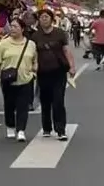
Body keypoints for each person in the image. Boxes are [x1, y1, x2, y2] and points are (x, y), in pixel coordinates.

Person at [32, 9, 75, 141]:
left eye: (46, 17)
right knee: (45, 101)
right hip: (42, 72)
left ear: (52, 19)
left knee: (58, 101)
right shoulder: (35, 36)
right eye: (41, 17)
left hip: (58, 72)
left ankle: (60, 129)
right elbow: (33, 54)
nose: (43, 19)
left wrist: (72, 66)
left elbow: (66, 50)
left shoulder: (60, 33)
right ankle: (46, 127)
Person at [0, 18, 37, 142]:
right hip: (8, 80)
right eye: (11, 26)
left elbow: (35, 60)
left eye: (15, 27)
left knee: (23, 106)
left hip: (26, 80)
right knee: (9, 105)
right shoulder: (4, 43)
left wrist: (34, 70)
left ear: (22, 29)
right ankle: (10, 126)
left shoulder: (31, 44)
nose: (12, 29)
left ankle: (21, 130)